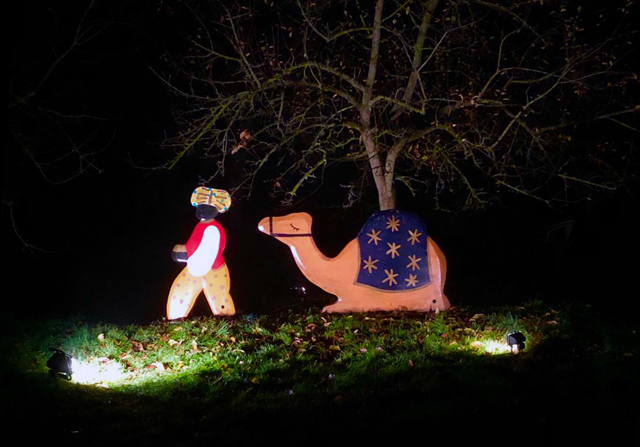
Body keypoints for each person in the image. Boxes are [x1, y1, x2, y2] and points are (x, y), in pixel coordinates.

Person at [166, 187, 236, 319]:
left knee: (219, 297)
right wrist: (184, 251)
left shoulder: (214, 228)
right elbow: (193, 244)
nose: (203, 210)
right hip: (196, 266)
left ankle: (226, 319)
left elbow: (208, 250)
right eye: (201, 206)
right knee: (180, 292)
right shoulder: (201, 226)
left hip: (212, 269)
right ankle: (175, 318)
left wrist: (185, 254)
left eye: (207, 207)